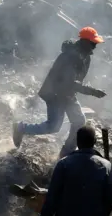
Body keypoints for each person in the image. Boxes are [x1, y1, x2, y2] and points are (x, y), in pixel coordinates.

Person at [12, 27, 107, 158]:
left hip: (67, 94)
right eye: (92, 43)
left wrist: (85, 90)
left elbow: (76, 80)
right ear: (84, 42)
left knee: (79, 121)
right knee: (53, 126)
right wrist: (92, 91)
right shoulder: (71, 57)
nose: (94, 47)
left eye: (95, 43)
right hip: (55, 93)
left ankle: (66, 153)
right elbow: (70, 82)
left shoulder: (84, 56)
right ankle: (21, 128)